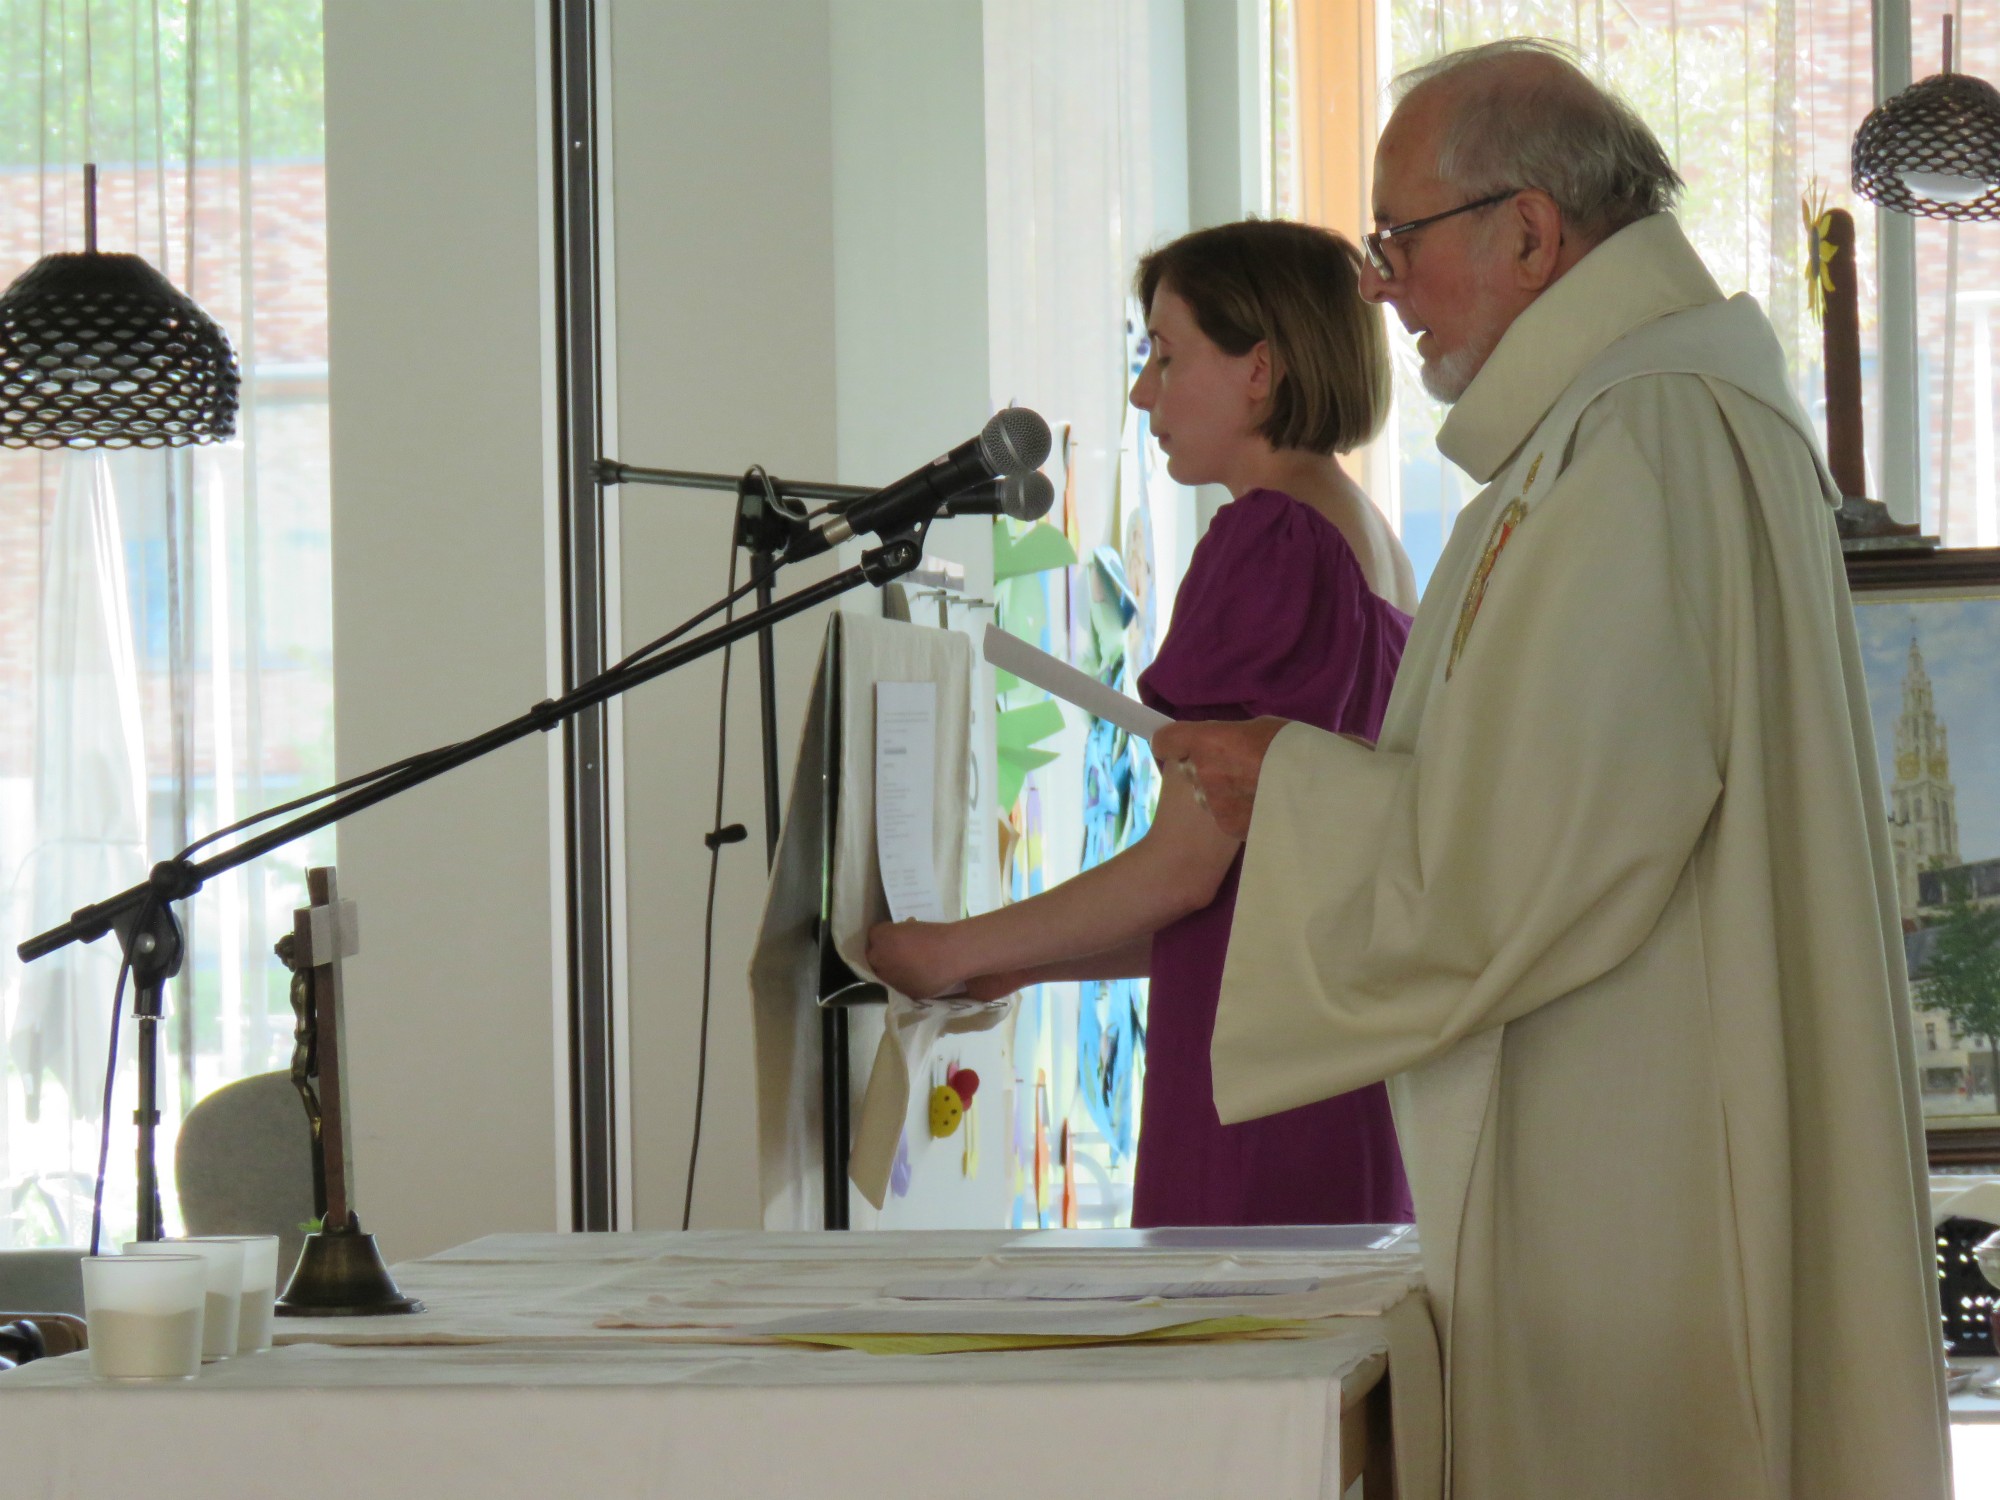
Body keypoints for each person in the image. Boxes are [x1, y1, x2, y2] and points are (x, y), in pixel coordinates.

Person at [1156, 40, 1950, 1500]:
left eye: (1400, 238)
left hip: (1647, 1171)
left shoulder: (1637, 438)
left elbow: (1543, 846)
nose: (1383, 286)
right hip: (1652, 1112)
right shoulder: (1640, 418)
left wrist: (1298, 786)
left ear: (1529, 230)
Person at [867, 219, 1417, 1228]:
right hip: (1338, 1078)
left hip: (1256, 1093)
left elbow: (1183, 868)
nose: (1141, 394)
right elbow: (1239, 899)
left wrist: (946, 950)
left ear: (1260, 369)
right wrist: (1021, 957)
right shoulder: (1363, 540)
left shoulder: (1267, 539)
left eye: (1165, 356)